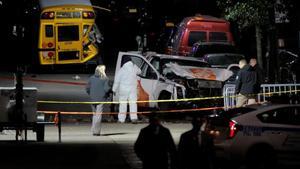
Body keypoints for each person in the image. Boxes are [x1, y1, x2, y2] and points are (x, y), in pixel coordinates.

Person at [112, 56, 141, 123]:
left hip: (123, 89)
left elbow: (117, 80)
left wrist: (114, 89)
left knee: (123, 104)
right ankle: (134, 118)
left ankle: (121, 119)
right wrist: (135, 65)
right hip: (132, 89)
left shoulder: (122, 69)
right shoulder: (134, 67)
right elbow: (140, 71)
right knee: (133, 104)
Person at [86, 65, 110, 136]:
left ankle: (93, 129)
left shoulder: (91, 78)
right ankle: (96, 131)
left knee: (94, 115)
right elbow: (106, 89)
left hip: (92, 99)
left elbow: (87, 88)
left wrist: (91, 94)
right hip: (100, 99)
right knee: (98, 115)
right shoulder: (105, 79)